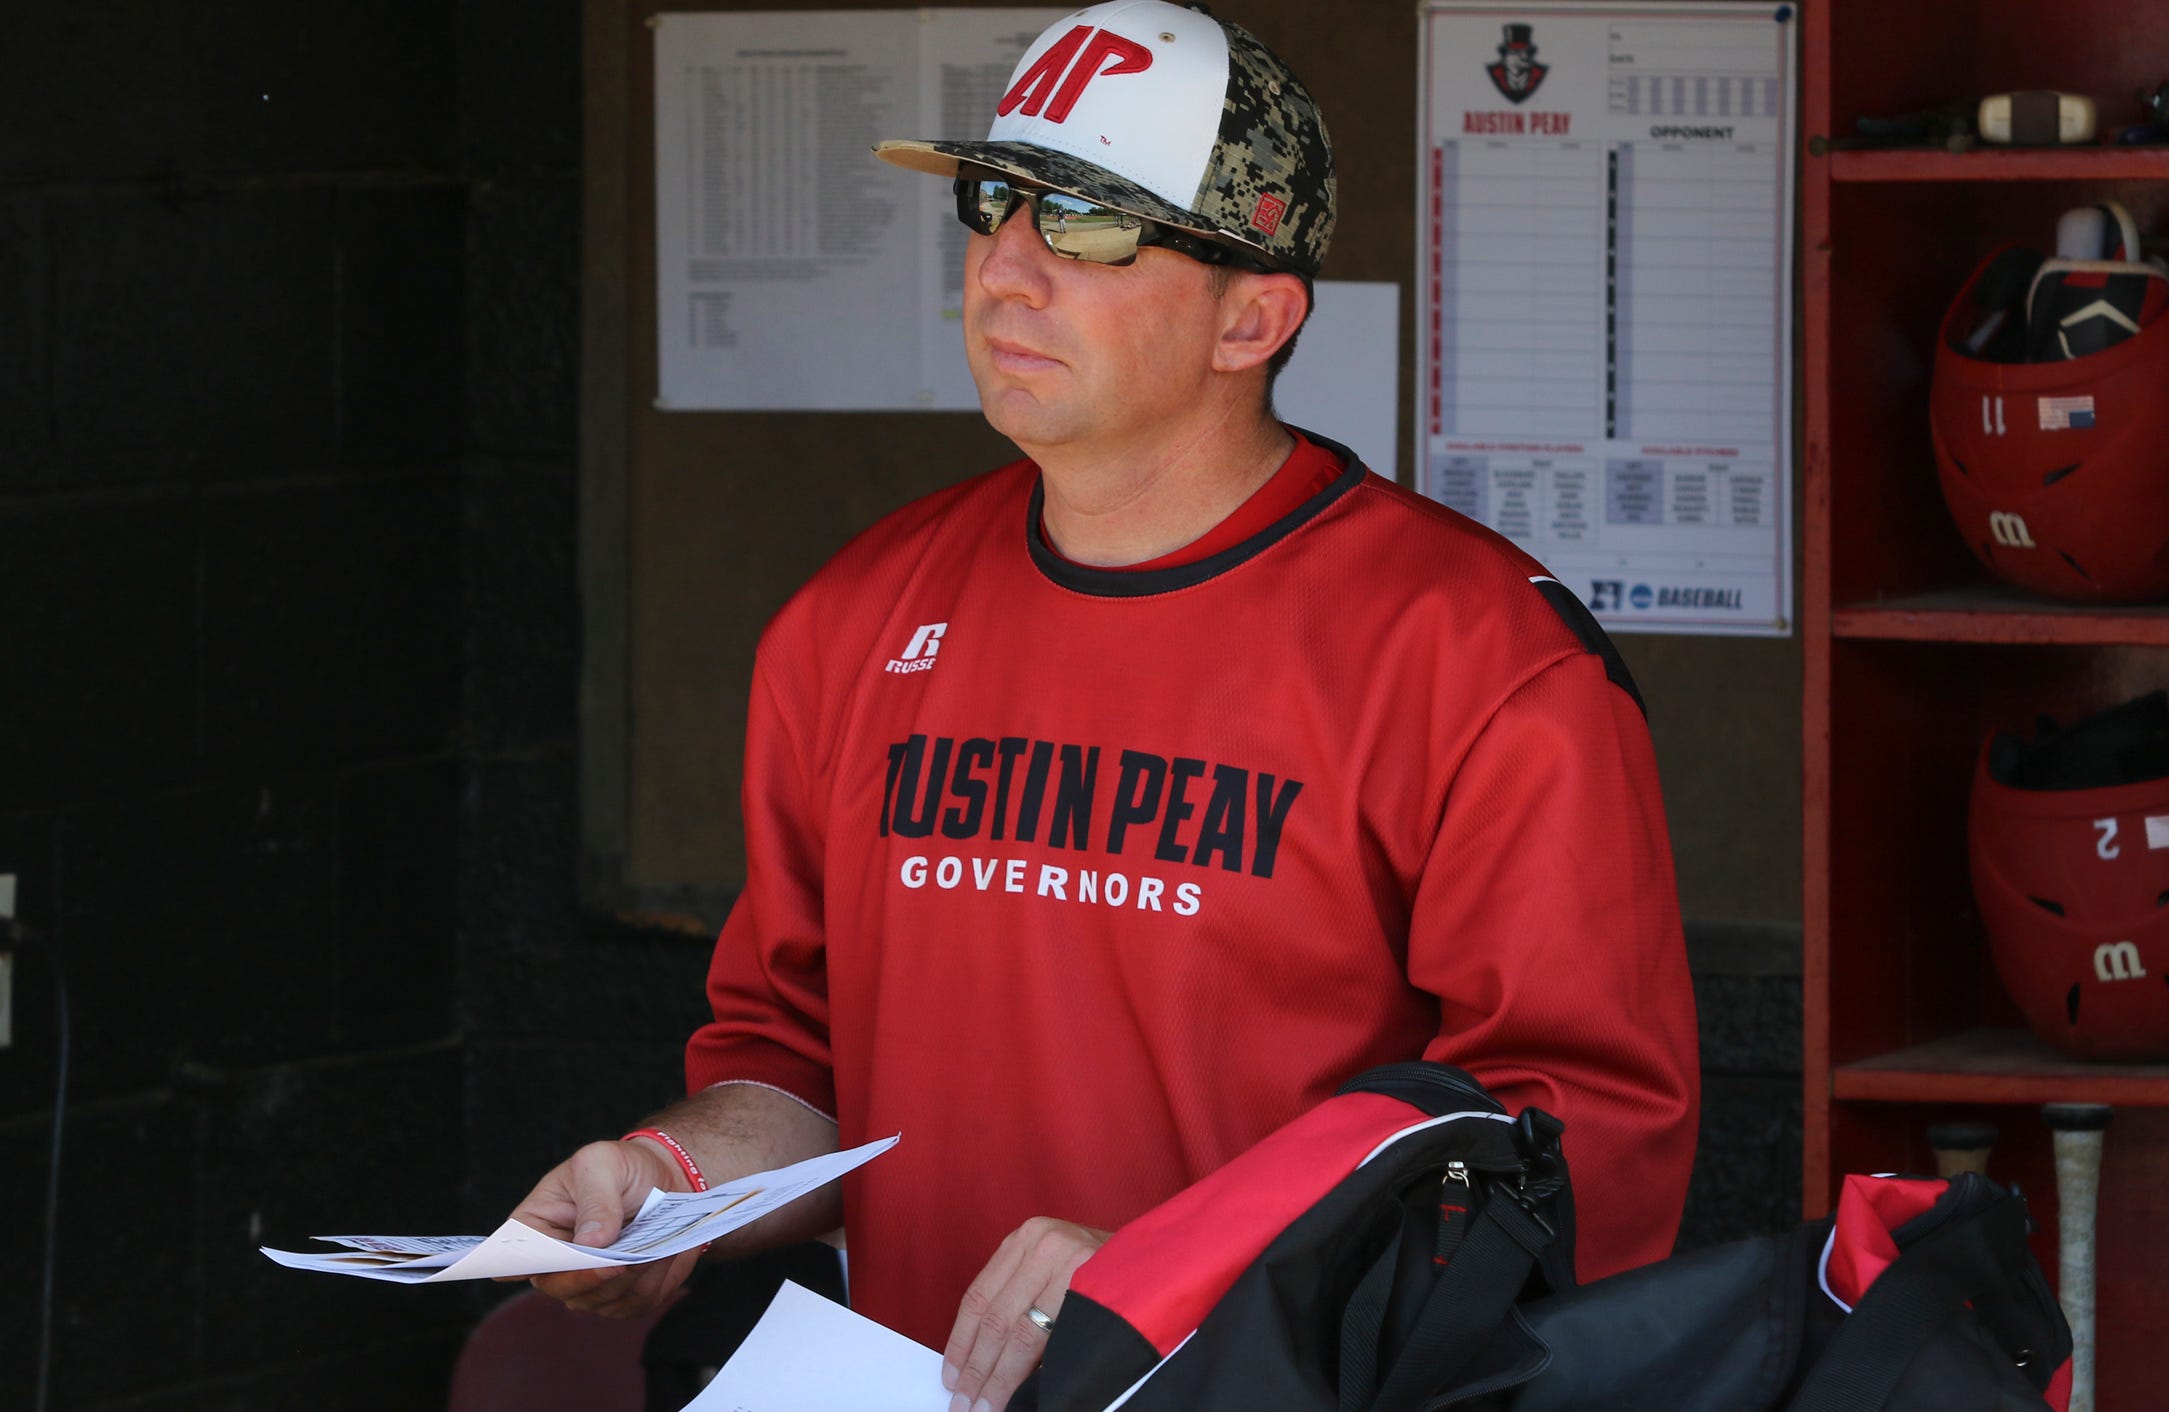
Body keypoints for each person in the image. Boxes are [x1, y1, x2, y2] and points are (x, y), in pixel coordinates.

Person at [510, 4, 1699, 1409]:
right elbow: (797, 1065)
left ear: (1252, 316)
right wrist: (671, 1180)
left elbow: (1571, 1151)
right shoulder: (853, 622)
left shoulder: (1481, 660)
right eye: (994, 203)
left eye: (1084, 227)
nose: (1005, 272)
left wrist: (1171, 1266)